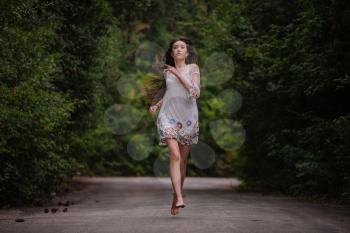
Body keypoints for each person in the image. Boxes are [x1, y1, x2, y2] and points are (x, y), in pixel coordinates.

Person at [147, 37, 201, 215]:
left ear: (186, 52)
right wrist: (157, 104)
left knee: (183, 161)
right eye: (175, 47)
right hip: (168, 117)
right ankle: (179, 196)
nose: (178, 49)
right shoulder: (167, 72)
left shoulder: (193, 69)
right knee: (175, 156)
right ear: (171, 53)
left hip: (188, 118)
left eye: (182, 47)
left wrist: (178, 74)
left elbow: (195, 92)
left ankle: (175, 197)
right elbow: (170, 93)